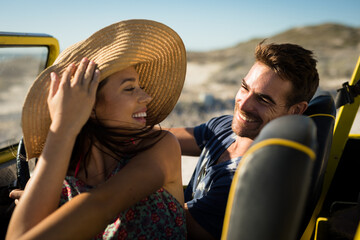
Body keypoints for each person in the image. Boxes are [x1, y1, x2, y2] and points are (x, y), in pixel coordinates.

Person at [6, 19, 187, 240]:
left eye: (141, 87)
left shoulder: (160, 146)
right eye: (130, 88)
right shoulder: (60, 173)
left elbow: (101, 205)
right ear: (88, 105)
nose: (146, 97)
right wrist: (63, 126)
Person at [168, 41, 320, 239]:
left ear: (296, 110)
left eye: (263, 99)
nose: (244, 104)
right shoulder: (224, 127)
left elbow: (168, 222)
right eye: (244, 87)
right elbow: (166, 138)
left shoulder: (247, 180)